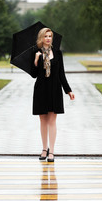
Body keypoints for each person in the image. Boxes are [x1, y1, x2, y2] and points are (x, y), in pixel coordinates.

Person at [31, 27, 75, 162]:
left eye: (50, 36)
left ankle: (52, 151)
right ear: (41, 38)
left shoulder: (57, 53)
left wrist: (68, 90)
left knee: (52, 121)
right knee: (42, 120)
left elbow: (61, 74)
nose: (48, 38)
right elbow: (33, 74)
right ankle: (44, 149)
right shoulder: (36, 52)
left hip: (55, 89)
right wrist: (36, 60)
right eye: (45, 36)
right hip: (41, 89)